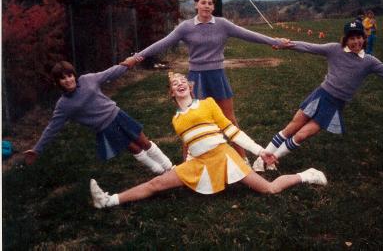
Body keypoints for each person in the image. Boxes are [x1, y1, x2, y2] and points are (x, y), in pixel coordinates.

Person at [90, 72, 327, 209]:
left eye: (183, 81)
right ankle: (108, 200)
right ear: (172, 93)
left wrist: (259, 152)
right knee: (156, 184)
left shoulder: (208, 104)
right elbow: (189, 144)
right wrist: (185, 166)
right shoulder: (176, 120)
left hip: (224, 157)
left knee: (269, 189)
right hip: (199, 162)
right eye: (175, 83)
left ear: (190, 88)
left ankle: (307, 175)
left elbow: (232, 132)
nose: (180, 83)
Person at [127, 0, 291, 166]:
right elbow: (163, 43)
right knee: (191, 120)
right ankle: (187, 164)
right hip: (195, 78)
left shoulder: (223, 24)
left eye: (210, 3)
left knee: (229, 121)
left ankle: (243, 159)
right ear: (196, 4)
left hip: (217, 76)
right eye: (203, 2)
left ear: (213, 7)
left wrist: (274, 42)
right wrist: (137, 57)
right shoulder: (185, 27)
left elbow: (249, 35)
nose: (207, 6)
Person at [252, 21, 383, 172]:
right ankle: (262, 158)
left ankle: (271, 160)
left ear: (364, 38)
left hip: (335, 105)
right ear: (346, 39)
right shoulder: (334, 49)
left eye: (358, 37)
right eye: (351, 38)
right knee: (292, 128)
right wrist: (283, 45)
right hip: (320, 95)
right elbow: (308, 47)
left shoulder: (369, 61)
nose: (355, 42)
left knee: (302, 136)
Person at [23, 57, 173, 174]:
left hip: (118, 116)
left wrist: (128, 64)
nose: (68, 80)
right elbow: (52, 128)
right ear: (58, 82)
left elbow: (110, 73)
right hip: (107, 129)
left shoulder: (87, 80)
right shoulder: (63, 105)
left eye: (70, 75)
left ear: (74, 75)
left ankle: (169, 167)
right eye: (63, 78)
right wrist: (37, 149)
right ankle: (159, 171)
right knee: (135, 149)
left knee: (144, 143)